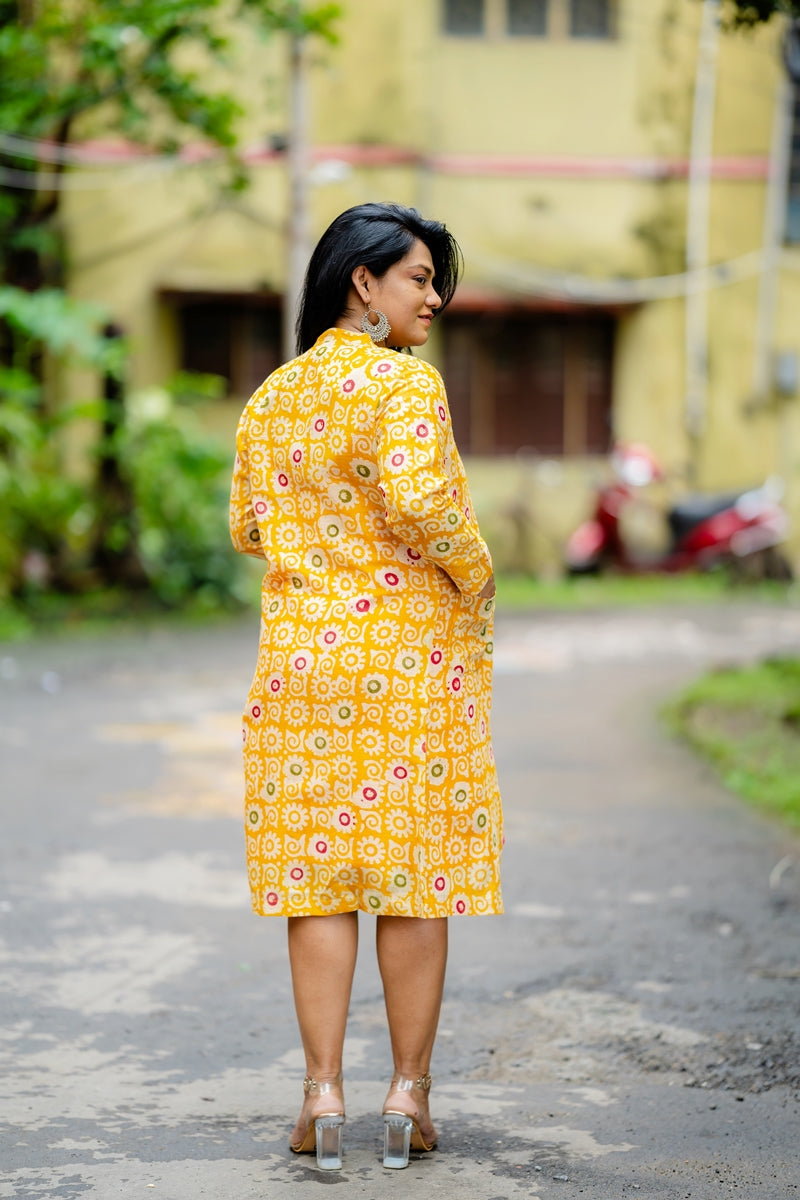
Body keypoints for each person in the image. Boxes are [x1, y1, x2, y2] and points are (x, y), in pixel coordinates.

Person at [229, 202, 503, 1171]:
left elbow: (249, 529)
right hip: (404, 668)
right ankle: (407, 1093)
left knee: (318, 880)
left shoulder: (270, 398)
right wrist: (476, 574)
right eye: (421, 278)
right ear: (364, 283)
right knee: (411, 880)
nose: (432, 298)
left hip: (301, 668)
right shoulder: (402, 387)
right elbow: (424, 502)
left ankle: (321, 1094)